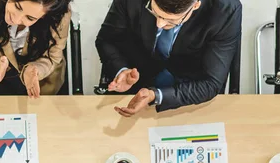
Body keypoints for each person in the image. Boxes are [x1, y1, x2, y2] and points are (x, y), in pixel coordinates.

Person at [95, 0, 242, 117]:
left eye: (171, 20)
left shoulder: (225, 9)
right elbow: (107, 40)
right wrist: (121, 69)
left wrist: (156, 95)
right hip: (134, 84)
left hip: (190, 93)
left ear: (196, 4)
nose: (159, 24)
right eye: (154, 12)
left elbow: (210, 83)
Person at [0, 0, 72, 97]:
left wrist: (36, 69)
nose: (16, 20)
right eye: (17, 6)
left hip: (40, 82)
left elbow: (53, 56)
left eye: (30, 18)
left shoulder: (59, 15)